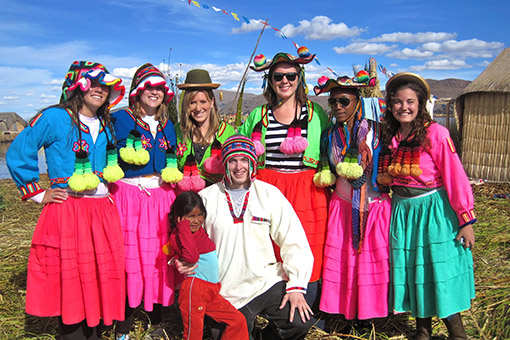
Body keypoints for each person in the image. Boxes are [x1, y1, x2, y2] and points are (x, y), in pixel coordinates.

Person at [6, 61, 126, 340]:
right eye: (93, 83)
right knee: (72, 276)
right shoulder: (54, 118)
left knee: (96, 273)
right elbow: (19, 150)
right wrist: (38, 192)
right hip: (70, 209)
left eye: (104, 85)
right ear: (78, 87)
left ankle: (93, 331)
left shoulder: (106, 123)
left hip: (102, 211)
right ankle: (72, 333)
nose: (99, 89)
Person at [183, 134, 315, 340]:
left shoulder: (269, 194)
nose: (239, 167)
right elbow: (186, 238)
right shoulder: (206, 198)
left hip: (265, 281)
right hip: (225, 290)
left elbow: (294, 240)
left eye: (244, 160)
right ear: (224, 163)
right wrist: (181, 260)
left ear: (252, 162)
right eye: (233, 160)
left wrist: (296, 286)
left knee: (298, 322)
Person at [379, 72, 476, 339]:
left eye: (410, 101)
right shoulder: (390, 135)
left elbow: (455, 177)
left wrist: (466, 220)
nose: (404, 107)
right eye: (397, 102)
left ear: (421, 104)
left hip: (432, 212)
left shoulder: (436, 134)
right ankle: (422, 332)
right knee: (413, 270)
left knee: (438, 269)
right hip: (402, 211)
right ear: (390, 105)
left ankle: (457, 334)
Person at [238, 48, 330, 318]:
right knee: (268, 246)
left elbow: (331, 146)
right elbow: (240, 147)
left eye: (291, 75)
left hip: (307, 188)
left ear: (299, 78)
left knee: (309, 246)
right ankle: (272, 306)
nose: (285, 81)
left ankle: (307, 313)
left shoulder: (315, 114)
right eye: (278, 76)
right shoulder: (258, 116)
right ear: (270, 80)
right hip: (268, 188)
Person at [110, 63, 181, 340]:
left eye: (160, 89)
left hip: (161, 196)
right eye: (149, 87)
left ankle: (157, 320)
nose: (154, 92)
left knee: (158, 257)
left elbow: (172, 159)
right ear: (137, 91)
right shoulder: (119, 119)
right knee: (129, 258)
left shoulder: (167, 126)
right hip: (128, 196)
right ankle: (123, 325)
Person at [312, 72, 392, 322]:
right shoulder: (329, 136)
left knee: (372, 263)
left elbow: (391, 165)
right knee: (343, 262)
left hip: (374, 208)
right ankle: (343, 313)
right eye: (333, 102)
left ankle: (372, 316)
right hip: (342, 207)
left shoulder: (377, 132)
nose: (337, 107)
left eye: (344, 101)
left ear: (357, 102)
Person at [164, 191, 249, 340]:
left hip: (210, 291)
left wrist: (186, 223)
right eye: (191, 216)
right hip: (195, 290)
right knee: (194, 333)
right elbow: (191, 257)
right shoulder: (183, 233)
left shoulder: (195, 231)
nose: (196, 220)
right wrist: (182, 226)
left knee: (237, 320)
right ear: (179, 219)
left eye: (200, 215)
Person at [176, 69, 235, 191]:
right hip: (186, 202)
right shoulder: (178, 131)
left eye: (203, 102)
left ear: (212, 102)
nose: (198, 108)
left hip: (218, 200)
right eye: (192, 102)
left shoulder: (227, 133)